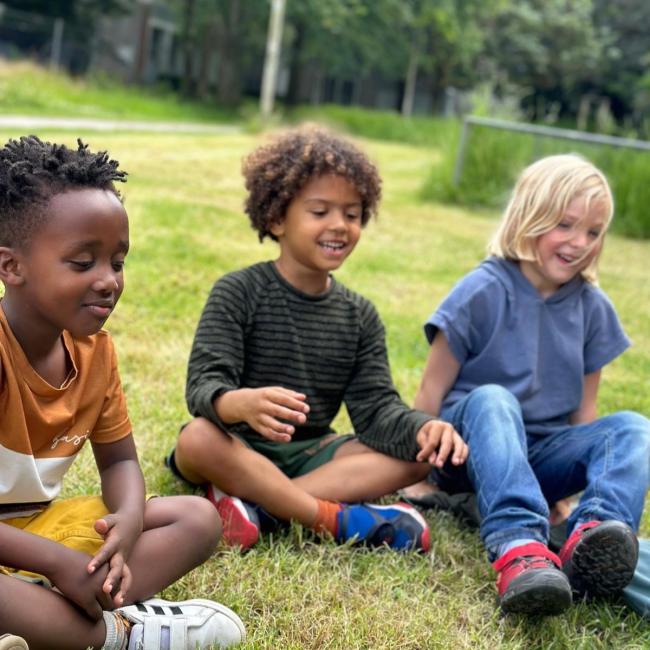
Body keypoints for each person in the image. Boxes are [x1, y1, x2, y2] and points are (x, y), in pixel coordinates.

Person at [166, 126, 467, 551]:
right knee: (195, 438)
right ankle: (330, 519)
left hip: (310, 452)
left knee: (416, 460)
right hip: (234, 444)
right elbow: (203, 387)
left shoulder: (360, 315)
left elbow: (377, 411)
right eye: (320, 211)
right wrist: (241, 404)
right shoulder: (238, 291)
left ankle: (261, 509)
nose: (339, 225)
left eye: (352, 213)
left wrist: (424, 429)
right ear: (276, 218)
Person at [0, 136, 245, 649]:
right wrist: (56, 562)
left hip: (36, 530)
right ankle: (121, 633)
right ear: (11, 267)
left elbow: (118, 464)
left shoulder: (96, 354)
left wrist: (127, 525)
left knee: (196, 517)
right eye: (82, 262)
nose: (108, 280)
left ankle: (37, 615)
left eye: (118, 261)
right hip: (33, 551)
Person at [414, 153, 650, 616]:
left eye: (593, 232)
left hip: (539, 459)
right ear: (529, 218)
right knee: (495, 399)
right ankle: (519, 546)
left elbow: (584, 416)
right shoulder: (481, 290)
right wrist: (420, 477)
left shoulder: (592, 308)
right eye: (565, 224)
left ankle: (593, 538)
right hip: (469, 451)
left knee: (633, 428)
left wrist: (563, 497)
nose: (579, 242)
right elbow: (430, 395)